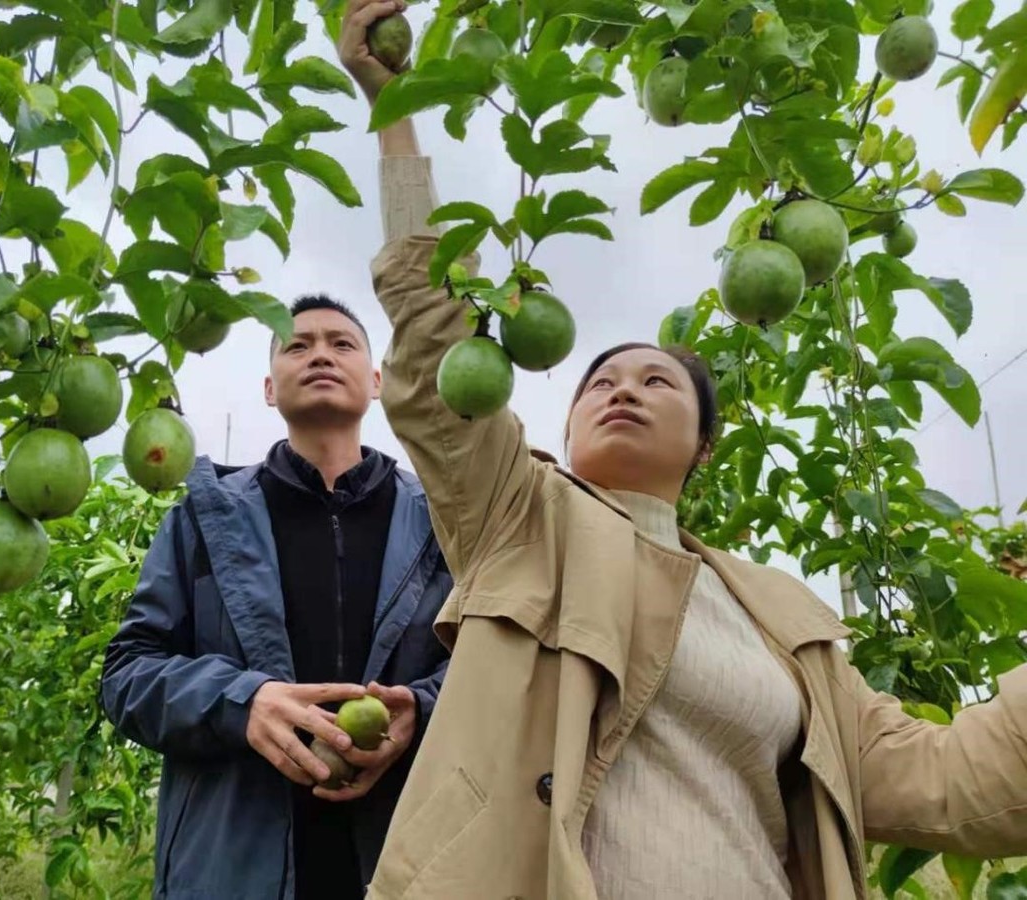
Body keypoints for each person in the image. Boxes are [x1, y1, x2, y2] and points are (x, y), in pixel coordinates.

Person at [334, 3, 1027, 897]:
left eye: (658, 382)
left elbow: (949, 784)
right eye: (601, 382)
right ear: (567, 427)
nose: (624, 388)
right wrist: (397, 107)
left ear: (704, 447)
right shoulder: (521, 516)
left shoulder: (786, 620)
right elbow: (434, 343)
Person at [99, 294, 454, 900]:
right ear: (270, 388)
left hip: (407, 860)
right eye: (297, 344)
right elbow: (128, 676)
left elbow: (489, 662)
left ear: (375, 383)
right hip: (231, 865)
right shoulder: (201, 521)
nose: (320, 353)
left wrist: (420, 710)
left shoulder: (442, 523)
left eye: (341, 344)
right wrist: (245, 702)